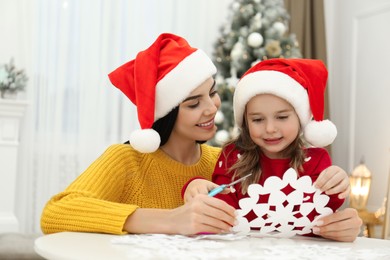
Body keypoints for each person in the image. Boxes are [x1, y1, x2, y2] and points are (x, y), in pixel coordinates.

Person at [41, 33, 236, 235]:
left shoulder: (222, 160)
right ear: (167, 114)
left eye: (213, 93)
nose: (212, 108)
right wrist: (171, 220)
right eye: (194, 104)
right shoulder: (127, 159)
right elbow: (56, 213)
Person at [183, 58, 362, 242]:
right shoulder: (233, 156)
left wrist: (337, 183)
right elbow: (219, 209)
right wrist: (197, 187)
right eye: (258, 120)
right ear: (246, 122)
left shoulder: (316, 159)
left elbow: (328, 211)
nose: (270, 129)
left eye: (282, 117)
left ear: (300, 118)